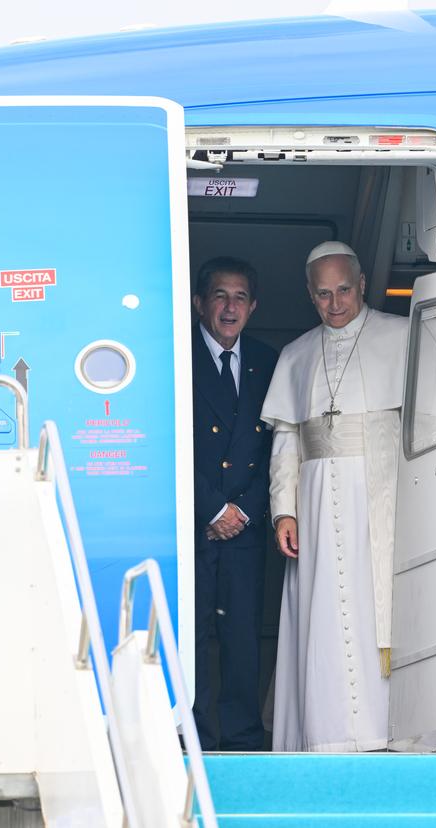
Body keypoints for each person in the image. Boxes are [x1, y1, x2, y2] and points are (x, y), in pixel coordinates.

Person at [261, 241, 407, 752]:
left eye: (344, 289)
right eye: (323, 294)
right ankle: (326, 734)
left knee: (376, 606)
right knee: (322, 614)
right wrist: (284, 509)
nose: (336, 303)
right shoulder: (295, 355)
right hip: (318, 503)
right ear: (310, 294)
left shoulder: (403, 336)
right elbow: (285, 442)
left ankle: (385, 729)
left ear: (362, 283)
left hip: (383, 497)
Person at [190, 256, 277, 751]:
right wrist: (212, 509)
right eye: (220, 296)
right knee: (195, 633)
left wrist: (244, 510)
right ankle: (197, 737)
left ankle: (244, 739)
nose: (230, 306)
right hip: (197, 524)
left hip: (244, 526)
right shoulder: (178, 357)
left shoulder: (269, 359)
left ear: (253, 306)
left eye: (240, 296)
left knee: (244, 637)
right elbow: (170, 440)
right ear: (200, 303)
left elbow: (280, 446)